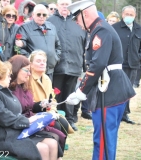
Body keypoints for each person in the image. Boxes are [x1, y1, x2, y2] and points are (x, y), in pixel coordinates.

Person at [66, 0, 136, 159]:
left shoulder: (101, 30)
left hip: (108, 91)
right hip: (112, 87)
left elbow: (98, 64)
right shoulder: (100, 29)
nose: (77, 23)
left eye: (77, 18)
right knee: (107, 138)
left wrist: (81, 91)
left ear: (84, 14)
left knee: (103, 140)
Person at [0, 60, 59, 160]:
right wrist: (27, 121)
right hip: (4, 136)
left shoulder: (4, 91)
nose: (10, 78)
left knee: (52, 143)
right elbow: (1, 115)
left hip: (15, 132)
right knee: (43, 148)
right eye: (8, 75)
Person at [8, 55, 65, 159]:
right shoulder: (8, 88)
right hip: (21, 125)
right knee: (53, 137)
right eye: (27, 70)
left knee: (57, 136)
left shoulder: (24, 86)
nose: (29, 74)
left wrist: (41, 104)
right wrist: (31, 119)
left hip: (29, 121)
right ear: (16, 69)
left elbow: (29, 106)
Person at [47, 0, 87, 131]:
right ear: (57, 6)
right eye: (62, 4)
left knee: (70, 94)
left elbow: (86, 43)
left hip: (75, 64)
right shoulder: (50, 21)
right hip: (57, 66)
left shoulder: (78, 21)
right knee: (56, 94)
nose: (64, 7)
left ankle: (69, 119)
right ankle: (56, 119)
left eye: (67, 4)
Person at [29, 50, 74, 138]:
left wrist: (52, 111)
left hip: (48, 112)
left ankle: (59, 148)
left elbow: (52, 99)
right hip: (35, 113)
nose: (42, 63)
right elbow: (29, 102)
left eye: (44, 61)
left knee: (63, 123)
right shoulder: (28, 79)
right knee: (58, 126)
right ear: (30, 64)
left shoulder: (46, 78)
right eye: (38, 61)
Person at [112, 5, 141, 124]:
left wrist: (140, 57)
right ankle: (115, 113)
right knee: (117, 89)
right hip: (118, 65)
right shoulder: (115, 28)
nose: (129, 16)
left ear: (135, 16)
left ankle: (124, 114)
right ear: (122, 14)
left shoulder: (139, 29)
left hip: (133, 65)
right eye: (127, 14)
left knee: (128, 90)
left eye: (131, 15)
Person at [16, 4, 61, 81]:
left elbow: (58, 46)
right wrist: (31, 60)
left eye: (44, 15)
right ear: (33, 15)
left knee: (47, 92)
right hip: (33, 70)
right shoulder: (24, 28)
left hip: (49, 69)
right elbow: (19, 48)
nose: (41, 16)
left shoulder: (51, 27)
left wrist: (55, 59)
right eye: (38, 14)